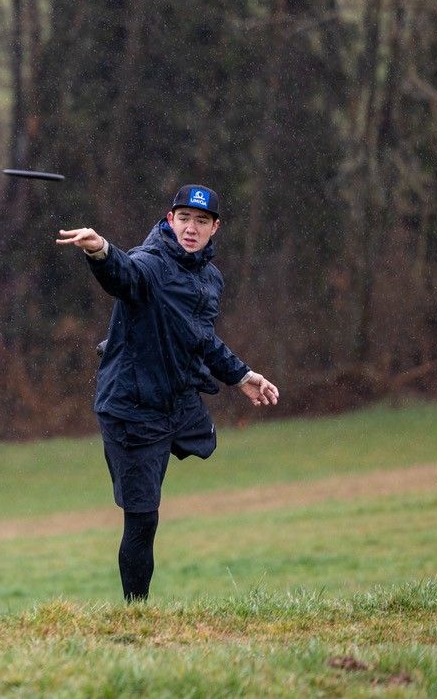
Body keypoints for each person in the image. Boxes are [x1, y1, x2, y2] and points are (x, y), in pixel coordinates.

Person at [56, 184, 279, 601]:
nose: (190, 229)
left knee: (204, 439)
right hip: (131, 409)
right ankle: (135, 613)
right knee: (143, 521)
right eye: (183, 219)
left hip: (174, 403)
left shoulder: (210, 279)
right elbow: (126, 274)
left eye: (200, 221)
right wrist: (101, 251)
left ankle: (166, 447)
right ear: (169, 219)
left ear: (215, 228)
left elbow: (202, 338)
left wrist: (242, 375)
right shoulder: (152, 264)